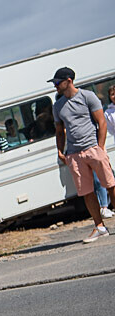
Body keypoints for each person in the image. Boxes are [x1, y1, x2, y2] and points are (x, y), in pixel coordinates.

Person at [50, 67, 115, 243]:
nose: (55, 86)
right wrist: (60, 150)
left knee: (110, 185)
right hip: (74, 154)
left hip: (93, 148)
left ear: (68, 81)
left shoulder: (88, 97)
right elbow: (59, 130)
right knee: (86, 192)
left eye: (57, 82)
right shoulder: (57, 106)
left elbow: (101, 122)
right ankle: (100, 226)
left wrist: (100, 147)